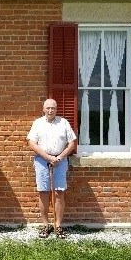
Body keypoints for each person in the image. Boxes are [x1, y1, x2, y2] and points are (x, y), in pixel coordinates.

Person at [27, 99, 77, 239]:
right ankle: (45, 225)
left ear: (56, 109)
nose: (50, 111)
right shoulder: (38, 123)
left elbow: (72, 143)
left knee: (59, 192)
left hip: (60, 161)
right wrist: (48, 157)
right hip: (42, 160)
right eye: (48, 108)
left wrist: (59, 158)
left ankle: (58, 225)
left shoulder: (63, 123)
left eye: (53, 108)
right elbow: (31, 142)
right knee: (43, 192)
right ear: (43, 109)